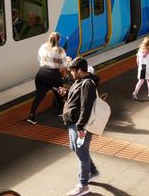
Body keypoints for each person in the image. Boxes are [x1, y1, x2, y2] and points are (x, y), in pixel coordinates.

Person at [62, 56, 101, 196]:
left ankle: (83, 185)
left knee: (81, 153)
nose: (71, 73)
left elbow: (86, 107)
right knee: (76, 149)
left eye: (73, 70)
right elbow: (76, 100)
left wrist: (80, 126)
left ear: (80, 70)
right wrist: (66, 94)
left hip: (79, 124)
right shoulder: (79, 81)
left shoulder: (87, 84)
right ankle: (93, 171)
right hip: (73, 122)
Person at [27, 32, 67, 124]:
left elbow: (39, 59)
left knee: (38, 96)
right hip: (54, 75)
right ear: (59, 40)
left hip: (41, 74)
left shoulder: (43, 47)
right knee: (59, 92)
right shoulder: (60, 51)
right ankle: (61, 111)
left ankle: (31, 115)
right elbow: (64, 65)